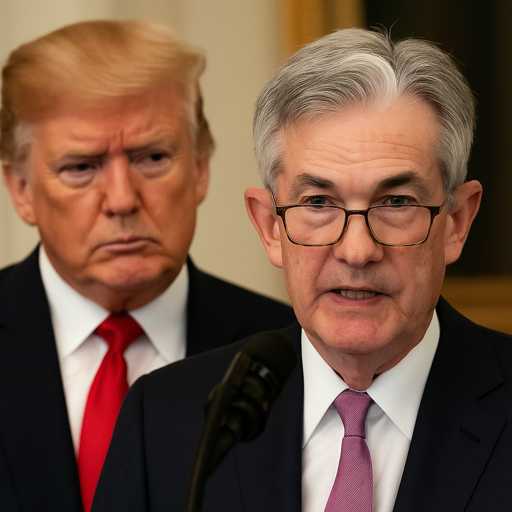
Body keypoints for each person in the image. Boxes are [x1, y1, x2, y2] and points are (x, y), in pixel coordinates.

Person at [93, 28, 512, 512]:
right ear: (269, 226)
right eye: (318, 203)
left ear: (457, 222)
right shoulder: (168, 421)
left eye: (396, 202)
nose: (357, 251)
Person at [0, 20, 294, 512]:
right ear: (21, 190)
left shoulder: (289, 351)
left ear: (200, 167)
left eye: (153, 157)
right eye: (81, 167)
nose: (122, 199)